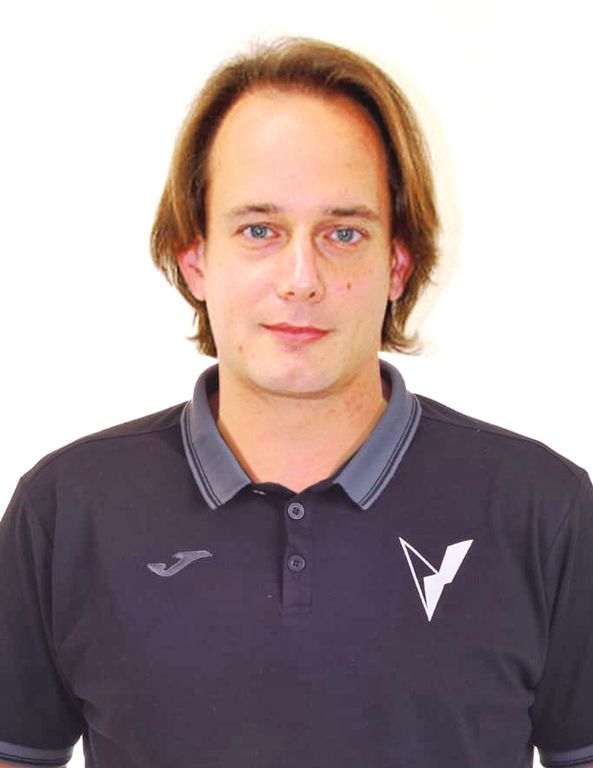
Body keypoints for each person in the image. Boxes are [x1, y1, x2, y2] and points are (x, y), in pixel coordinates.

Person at [0, 36, 591, 768]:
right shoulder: (66, 511)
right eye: (259, 230)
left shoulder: (544, 512)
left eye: (343, 232)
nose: (301, 278)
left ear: (397, 263)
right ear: (195, 258)